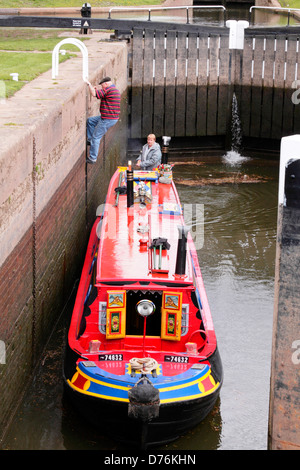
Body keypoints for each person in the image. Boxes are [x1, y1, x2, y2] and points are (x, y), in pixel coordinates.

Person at [86, 76, 121, 164]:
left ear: (106, 84)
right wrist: (95, 90)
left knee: (96, 137)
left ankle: (93, 158)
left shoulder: (109, 90)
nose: (102, 87)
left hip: (108, 119)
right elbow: (99, 93)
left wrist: (89, 85)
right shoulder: (113, 90)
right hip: (108, 117)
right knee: (90, 121)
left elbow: (94, 94)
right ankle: (90, 141)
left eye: (102, 86)